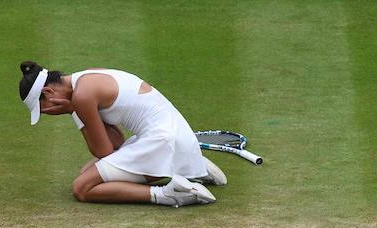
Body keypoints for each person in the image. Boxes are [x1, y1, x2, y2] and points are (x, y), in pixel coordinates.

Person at [18, 61, 226, 207]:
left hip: (163, 141)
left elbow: (104, 151)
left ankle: (168, 194)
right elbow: (116, 142)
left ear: (48, 93)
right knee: (87, 173)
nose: (48, 114)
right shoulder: (87, 77)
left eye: (43, 109)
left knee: (82, 187)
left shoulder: (82, 97)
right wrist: (75, 109)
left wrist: (74, 111)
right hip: (174, 136)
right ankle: (189, 164)